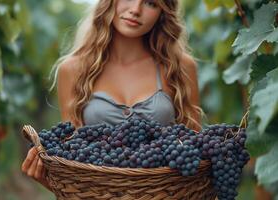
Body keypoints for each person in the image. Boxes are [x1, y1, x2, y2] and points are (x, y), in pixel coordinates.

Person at [21, 0, 202, 192]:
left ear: (163, 12)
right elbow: (73, 160)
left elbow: (196, 156)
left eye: (151, 3)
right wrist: (51, 181)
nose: (135, 10)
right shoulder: (73, 70)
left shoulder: (180, 67)